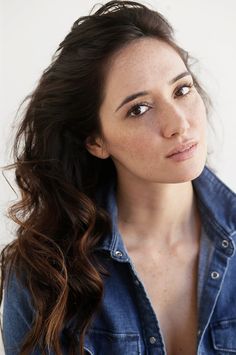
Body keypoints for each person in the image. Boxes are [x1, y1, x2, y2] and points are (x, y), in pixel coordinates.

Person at [1, 0, 236, 354]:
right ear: (96, 141)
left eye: (182, 90)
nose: (179, 124)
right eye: (139, 109)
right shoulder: (44, 275)